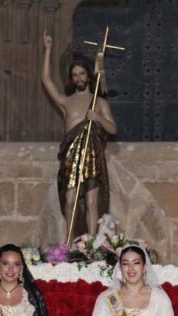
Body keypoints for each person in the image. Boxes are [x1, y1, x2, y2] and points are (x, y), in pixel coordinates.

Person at [42, 30, 117, 239]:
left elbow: (112, 129)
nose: (78, 78)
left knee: (92, 202)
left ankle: (92, 244)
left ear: (88, 75)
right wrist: (47, 50)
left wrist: (98, 118)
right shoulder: (67, 102)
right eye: (75, 75)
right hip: (71, 155)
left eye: (82, 74)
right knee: (70, 200)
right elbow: (46, 81)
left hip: (91, 155)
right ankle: (68, 244)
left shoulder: (98, 102)